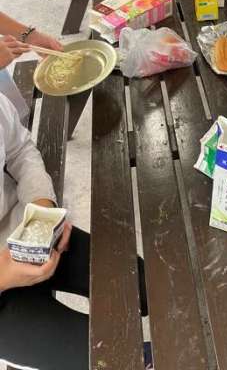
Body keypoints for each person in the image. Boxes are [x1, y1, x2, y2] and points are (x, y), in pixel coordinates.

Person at [0, 95, 151, 370]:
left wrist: (42, 207)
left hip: (24, 232)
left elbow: (19, 150)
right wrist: (3, 275)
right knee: (113, 357)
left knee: (141, 280)